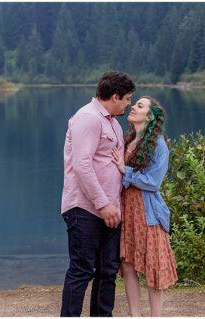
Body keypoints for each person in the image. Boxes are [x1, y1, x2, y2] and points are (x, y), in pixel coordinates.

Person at [60, 71, 135, 317]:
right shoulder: (88, 118)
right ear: (114, 96)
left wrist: (113, 206)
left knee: (107, 271)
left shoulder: (111, 121)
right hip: (85, 208)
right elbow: (82, 165)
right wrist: (103, 204)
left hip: (109, 210)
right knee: (82, 270)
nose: (128, 104)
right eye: (127, 99)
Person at [110, 97, 177, 316]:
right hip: (127, 213)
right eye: (134, 103)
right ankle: (135, 315)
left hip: (148, 215)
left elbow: (153, 182)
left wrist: (125, 170)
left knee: (153, 268)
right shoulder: (128, 138)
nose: (132, 107)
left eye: (139, 105)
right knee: (128, 266)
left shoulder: (158, 145)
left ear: (149, 116)